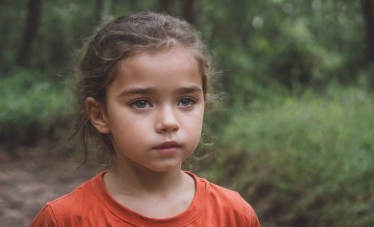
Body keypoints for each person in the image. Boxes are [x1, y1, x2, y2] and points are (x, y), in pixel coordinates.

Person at [31, 12, 260, 227]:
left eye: (186, 101)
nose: (169, 122)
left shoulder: (233, 215)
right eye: (141, 103)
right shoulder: (65, 220)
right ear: (99, 114)